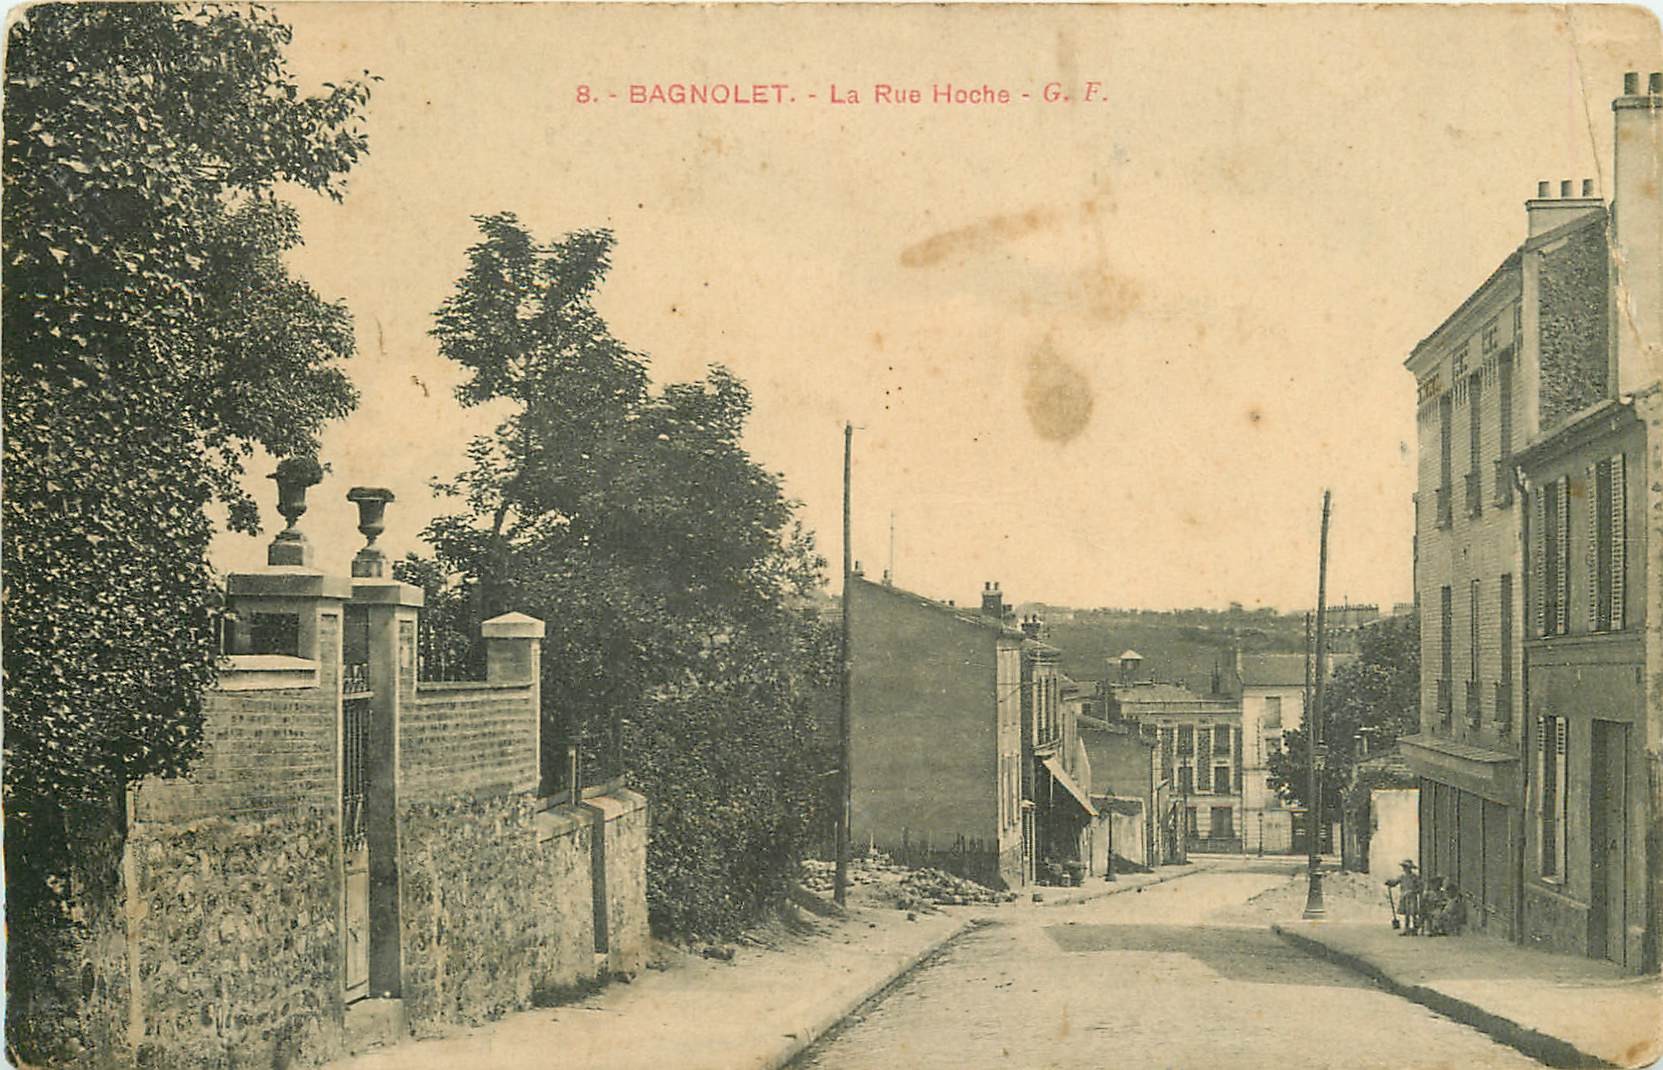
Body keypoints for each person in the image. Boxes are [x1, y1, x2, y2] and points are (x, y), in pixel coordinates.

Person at [1385, 859, 1422, 935]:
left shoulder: (1414, 877)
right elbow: (1395, 882)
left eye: (1406, 867)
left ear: (1410, 868)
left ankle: (1415, 929)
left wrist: (1415, 891)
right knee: (1407, 914)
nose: (1405, 869)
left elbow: (1420, 887)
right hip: (1404, 897)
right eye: (1404, 867)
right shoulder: (1402, 877)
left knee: (1413, 913)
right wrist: (1390, 883)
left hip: (1412, 896)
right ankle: (1407, 929)